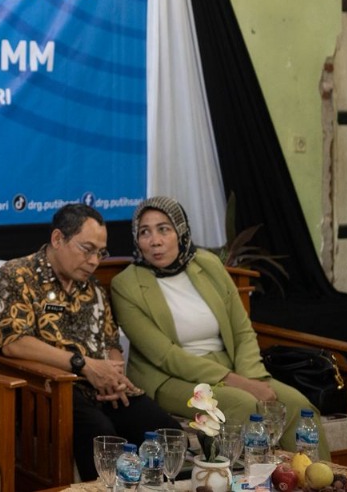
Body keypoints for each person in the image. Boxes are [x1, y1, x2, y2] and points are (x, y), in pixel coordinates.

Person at [110, 196, 330, 459]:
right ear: (136, 239)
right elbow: (166, 356)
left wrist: (254, 378)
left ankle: (318, 479)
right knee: (245, 404)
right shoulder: (126, 285)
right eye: (145, 232)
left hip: (231, 367)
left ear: (180, 232)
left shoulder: (208, 264)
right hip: (171, 378)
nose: (155, 240)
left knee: (294, 403)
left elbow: (241, 329)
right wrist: (238, 383)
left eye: (164, 229)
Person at [0, 202, 175, 481]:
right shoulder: (17, 275)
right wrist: (83, 364)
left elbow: (111, 340)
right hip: (51, 389)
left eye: (101, 253)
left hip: (101, 386)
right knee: (104, 437)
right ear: (57, 239)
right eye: (87, 250)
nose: (94, 261)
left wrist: (113, 372)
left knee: (165, 431)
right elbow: (13, 342)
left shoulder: (93, 287)